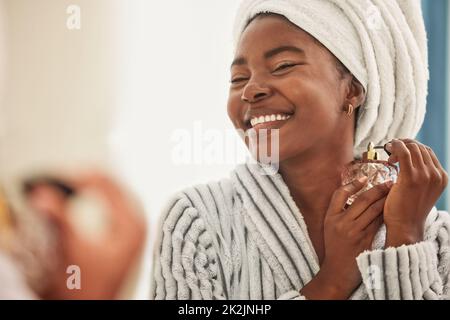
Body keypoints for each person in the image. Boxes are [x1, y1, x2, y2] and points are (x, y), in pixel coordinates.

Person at [151, 0, 450, 300]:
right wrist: (332, 281)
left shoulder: (438, 238)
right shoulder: (195, 223)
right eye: (238, 78)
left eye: (283, 66)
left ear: (353, 90)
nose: (250, 90)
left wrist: (405, 239)